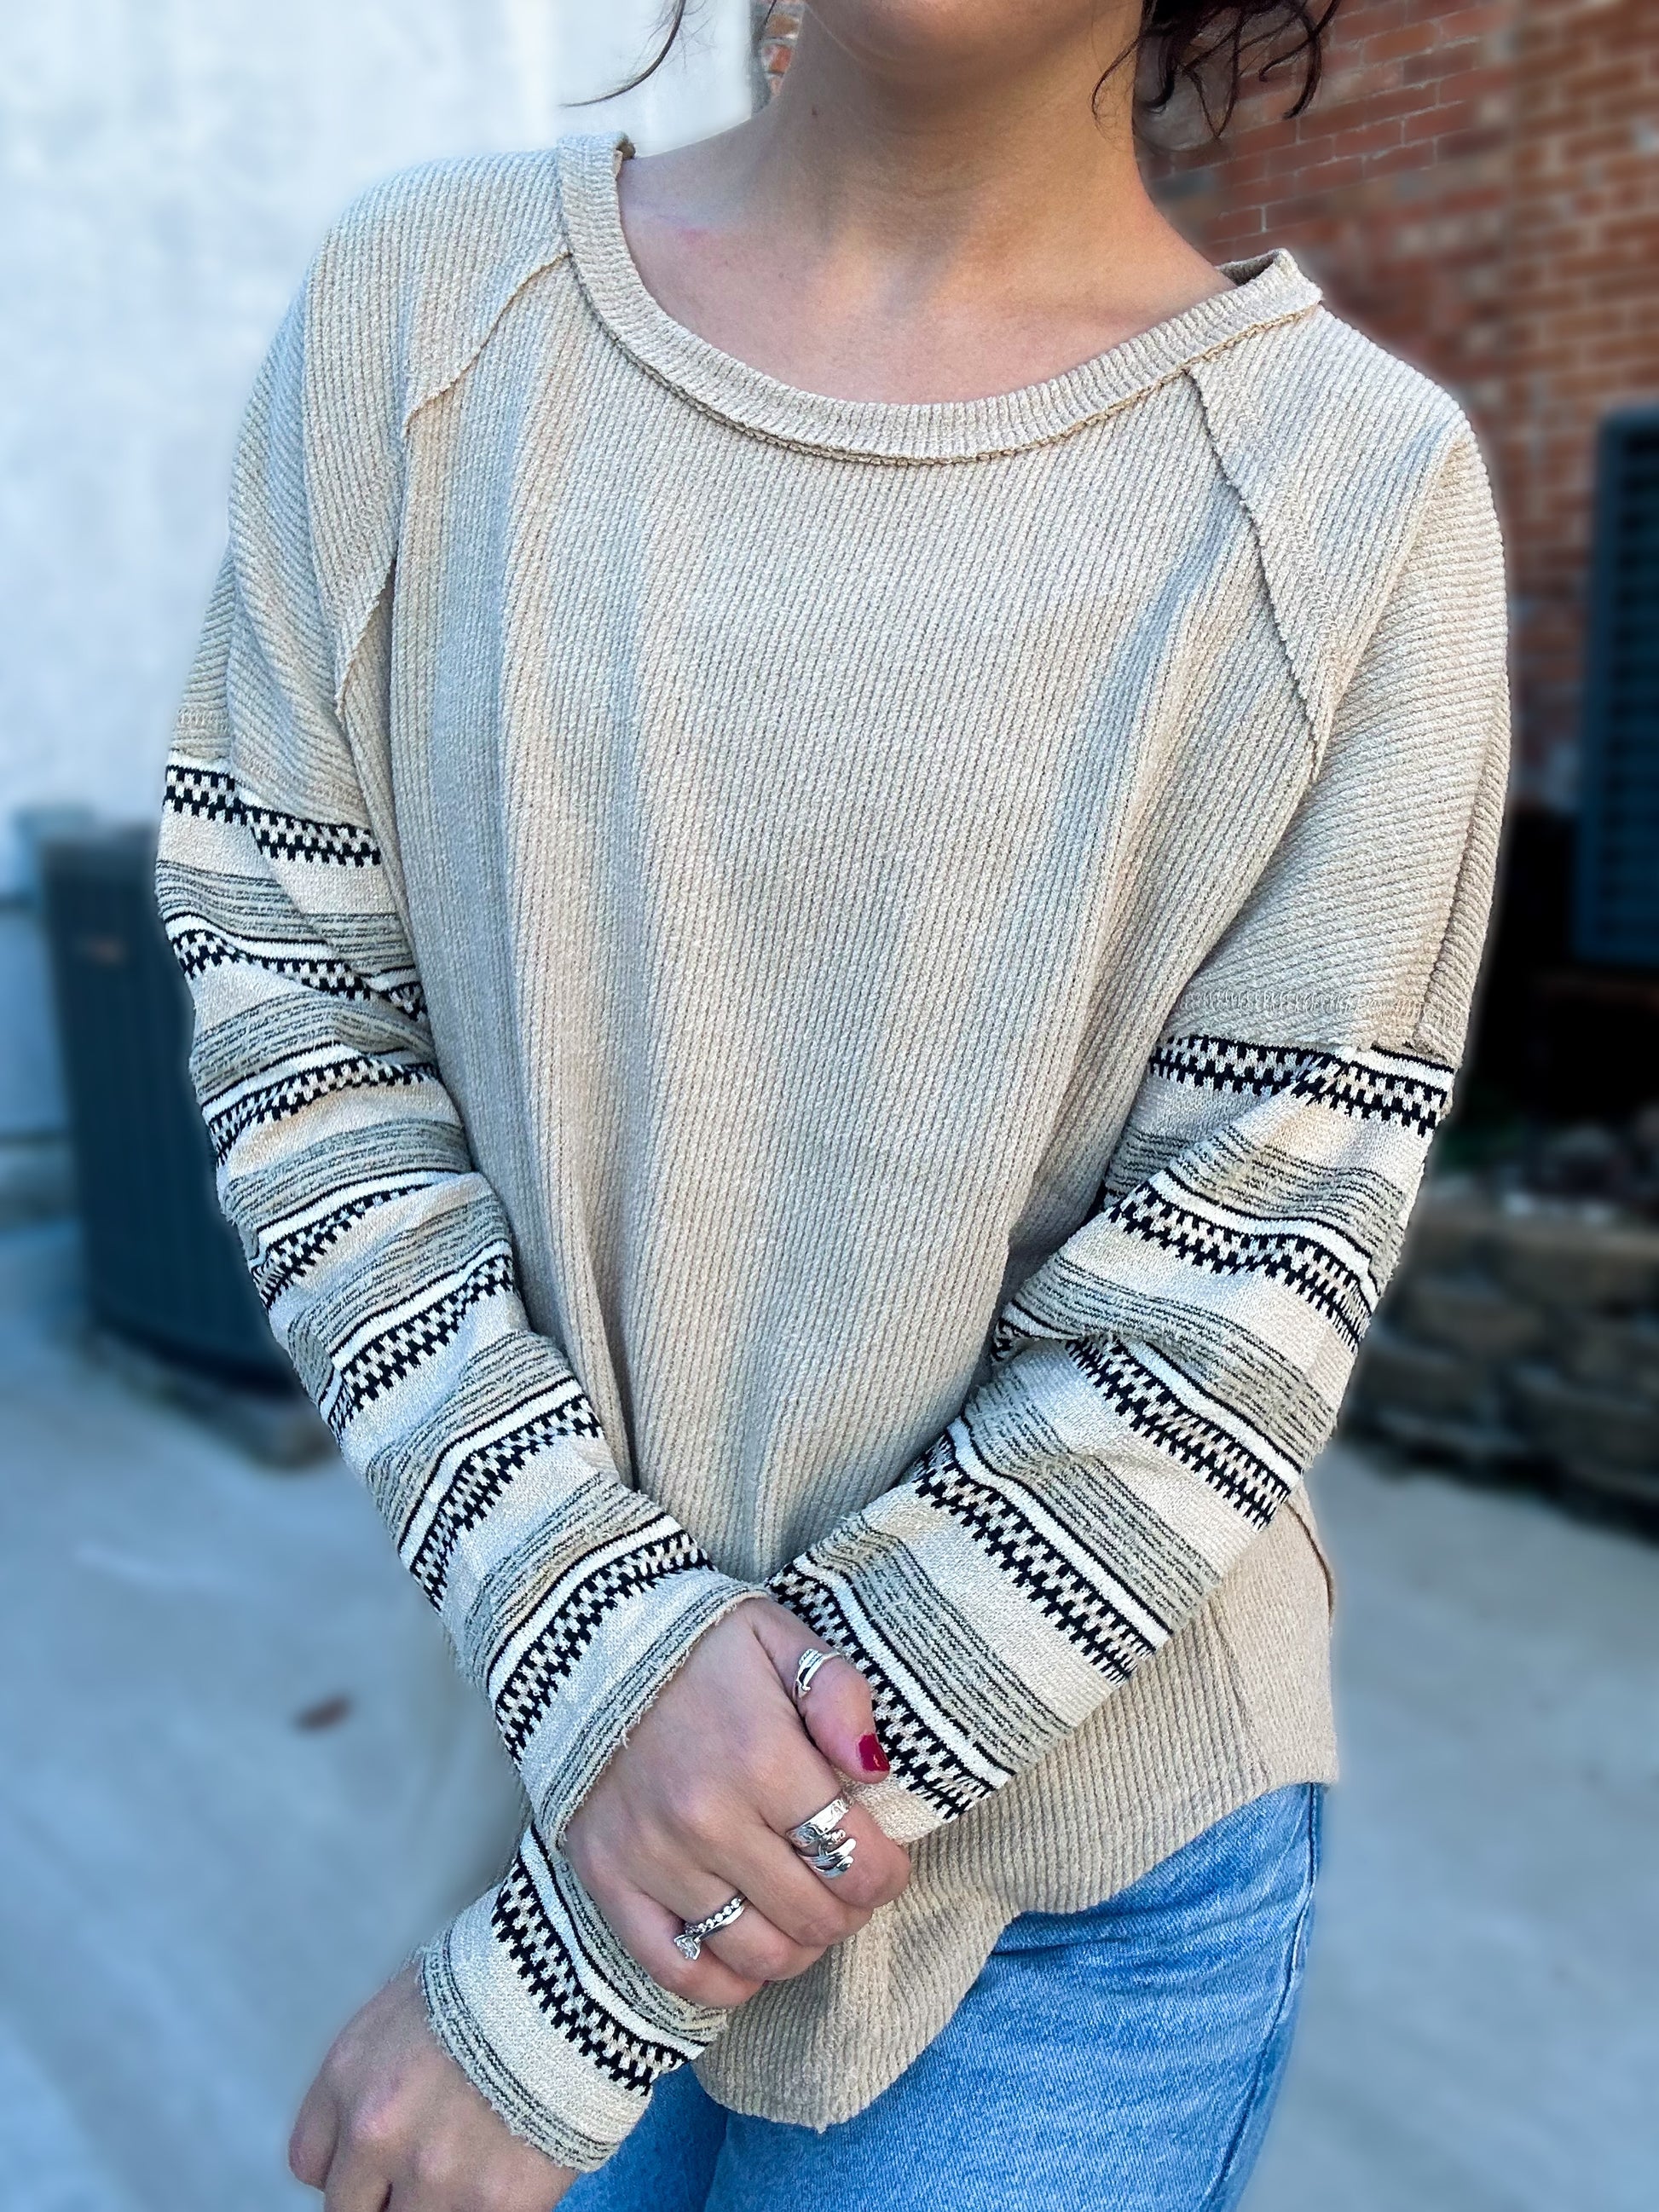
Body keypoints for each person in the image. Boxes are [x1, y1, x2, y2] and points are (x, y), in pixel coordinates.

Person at [155, 1, 1509, 2205]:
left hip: (1073, 1892)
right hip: (550, 1760)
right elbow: (297, 995)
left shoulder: (1348, 497)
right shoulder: (425, 322)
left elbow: (1228, 1301)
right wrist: (606, 1659)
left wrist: (589, 1967)